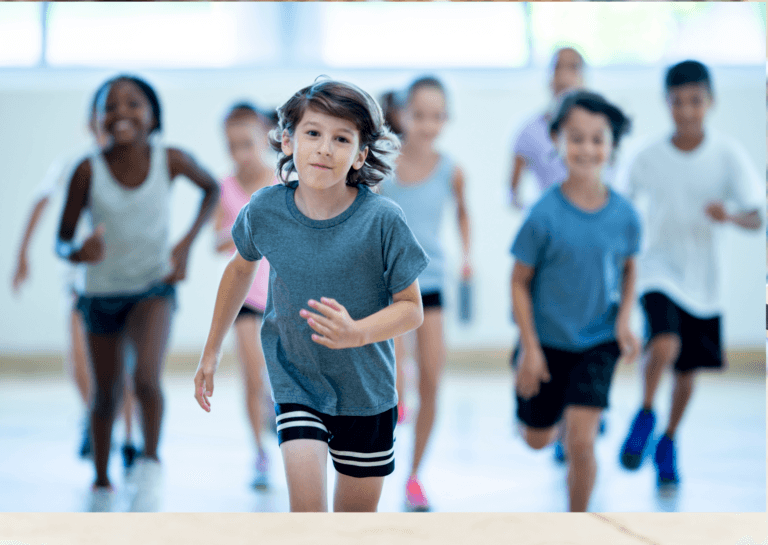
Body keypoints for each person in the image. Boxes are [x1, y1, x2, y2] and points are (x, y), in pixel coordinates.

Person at [194, 78, 429, 513]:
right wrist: (210, 352)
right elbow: (239, 269)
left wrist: (356, 332)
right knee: (307, 519)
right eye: (313, 133)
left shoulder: (383, 221)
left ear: (360, 154)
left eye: (341, 139)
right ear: (288, 140)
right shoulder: (265, 210)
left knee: (352, 526)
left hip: (367, 393)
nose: (324, 148)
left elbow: (411, 309)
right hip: (296, 382)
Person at [56, 74, 220, 495]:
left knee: (146, 378)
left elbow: (212, 188)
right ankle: (101, 479)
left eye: (133, 104)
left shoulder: (171, 159)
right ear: (96, 120)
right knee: (105, 395)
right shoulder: (85, 170)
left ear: (153, 117)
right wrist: (80, 252)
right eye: (109, 106)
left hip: (153, 287)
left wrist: (183, 247)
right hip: (100, 294)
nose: (121, 113)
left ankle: (150, 461)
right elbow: (62, 240)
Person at [618, 60, 762, 486]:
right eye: (677, 102)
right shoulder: (647, 155)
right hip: (657, 270)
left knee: (687, 371)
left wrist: (730, 216)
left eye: (695, 101)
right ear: (667, 103)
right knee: (663, 343)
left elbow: (757, 217)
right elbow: (620, 206)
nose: (686, 111)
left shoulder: (727, 154)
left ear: (710, 102)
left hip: (705, 281)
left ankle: (669, 440)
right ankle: (645, 413)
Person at [511, 90, 641, 512]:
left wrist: (624, 319)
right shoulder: (542, 215)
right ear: (557, 142)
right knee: (537, 439)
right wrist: (529, 348)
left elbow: (629, 267)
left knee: (583, 443)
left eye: (598, 139)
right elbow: (518, 281)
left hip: (597, 342)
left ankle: (577, 526)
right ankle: (548, 414)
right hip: (546, 342)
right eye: (577, 138)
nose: (587, 148)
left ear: (612, 146)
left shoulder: (625, 215)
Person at [12, 84, 138, 468]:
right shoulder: (73, 165)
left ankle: (130, 436)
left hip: (126, 279)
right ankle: (95, 417)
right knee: (79, 358)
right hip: (81, 279)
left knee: (124, 361)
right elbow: (40, 200)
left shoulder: (136, 166)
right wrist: (22, 255)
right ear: (91, 125)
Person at [378, 76, 472, 512]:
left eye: (437, 116)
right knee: (396, 376)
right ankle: (397, 401)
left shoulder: (452, 170)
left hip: (432, 283)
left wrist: (468, 256)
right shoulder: (384, 166)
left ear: (446, 118)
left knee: (433, 380)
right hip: (387, 286)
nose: (428, 124)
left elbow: (464, 213)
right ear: (403, 115)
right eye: (419, 115)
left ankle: (414, 476)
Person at [214, 101, 278, 489]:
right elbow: (218, 241)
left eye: (247, 144)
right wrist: (236, 230)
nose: (240, 154)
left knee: (280, 376)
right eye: (232, 146)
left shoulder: (279, 184)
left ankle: (278, 417)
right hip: (245, 301)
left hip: (281, 297)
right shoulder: (225, 189)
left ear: (262, 140)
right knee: (251, 377)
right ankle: (258, 452)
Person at [509, 47, 585, 210]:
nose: (564, 77)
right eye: (558, 67)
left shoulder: (603, 128)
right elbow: (512, 193)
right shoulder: (529, 132)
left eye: (573, 67)